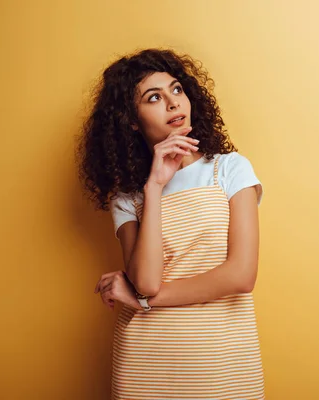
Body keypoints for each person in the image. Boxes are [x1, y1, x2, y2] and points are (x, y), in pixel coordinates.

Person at [77, 48, 265, 399]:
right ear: (132, 120)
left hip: (222, 363)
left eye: (177, 90)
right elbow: (146, 281)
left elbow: (241, 276)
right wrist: (154, 185)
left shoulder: (229, 169)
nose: (173, 103)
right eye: (154, 97)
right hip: (146, 366)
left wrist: (144, 302)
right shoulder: (129, 196)